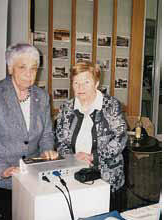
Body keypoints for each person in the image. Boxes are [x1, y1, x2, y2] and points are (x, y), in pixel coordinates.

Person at [0, 43, 58, 220]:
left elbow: (47, 133)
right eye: (22, 67)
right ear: (10, 68)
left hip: (31, 176)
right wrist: (2, 169)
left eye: (34, 68)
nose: (29, 74)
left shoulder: (41, 96)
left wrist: (47, 150)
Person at [55, 61, 127, 212]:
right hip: (75, 174)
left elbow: (120, 138)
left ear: (96, 83)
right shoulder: (66, 108)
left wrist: (93, 156)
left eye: (86, 82)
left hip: (108, 178)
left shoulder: (111, 105)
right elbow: (60, 141)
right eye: (76, 82)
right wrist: (75, 156)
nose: (80, 87)